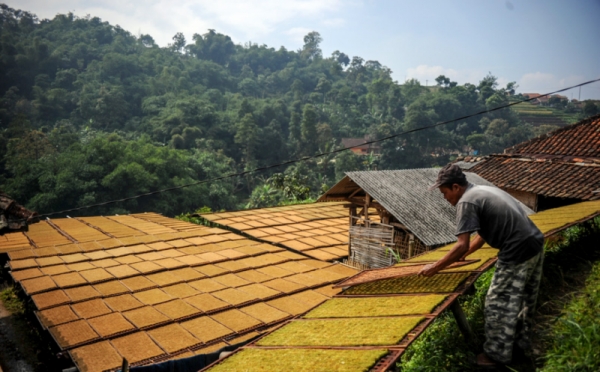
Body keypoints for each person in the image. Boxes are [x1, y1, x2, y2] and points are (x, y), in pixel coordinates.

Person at [419, 164, 544, 368]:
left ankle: (495, 356)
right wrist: (462, 257)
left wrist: (435, 267)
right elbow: (482, 235)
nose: (445, 198)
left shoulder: (466, 202)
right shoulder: (483, 190)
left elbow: (461, 244)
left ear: (456, 187)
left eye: (444, 193)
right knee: (524, 299)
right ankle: (521, 347)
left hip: (516, 249)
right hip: (535, 243)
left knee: (497, 303)